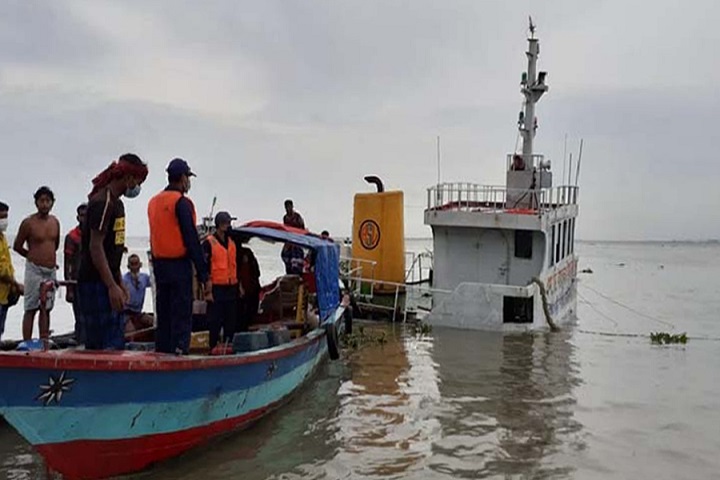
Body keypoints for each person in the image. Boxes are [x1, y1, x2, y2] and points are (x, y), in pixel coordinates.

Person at [78, 154, 148, 350]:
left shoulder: (118, 204)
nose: (137, 187)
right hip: (95, 282)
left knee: (115, 339)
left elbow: (112, 250)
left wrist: (119, 283)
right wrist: (111, 286)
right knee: (101, 344)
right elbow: (96, 246)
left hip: (109, 279)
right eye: (138, 181)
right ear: (129, 178)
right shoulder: (103, 202)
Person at [148, 158, 209, 355]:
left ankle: (161, 352)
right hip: (178, 265)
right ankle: (179, 352)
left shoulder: (153, 202)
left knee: (163, 313)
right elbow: (191, 239)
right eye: (188, 178)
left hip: (159, 265)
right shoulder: (182, 203)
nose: (188, 183)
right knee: (182, 313)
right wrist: (203, 274)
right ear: (183, 178)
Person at [13, 186, 60, 342]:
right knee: (31, 306)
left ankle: (43, 340)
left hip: (50, 269)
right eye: (42, 201)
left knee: (46, 307)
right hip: (34, 269)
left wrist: (50, 260)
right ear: (36, 202)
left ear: (52, 203)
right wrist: (32, 256)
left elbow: (55, 245)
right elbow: (17, 245)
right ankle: (26, 342)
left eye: (48, 201)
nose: (45, 204)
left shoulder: (55, 222)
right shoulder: (29, 223)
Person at [202, 211, 240, 348]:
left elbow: (235, 265)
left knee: (231, 320)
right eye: (226, 223)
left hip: (231, 287)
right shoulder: (209, 243)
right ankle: (213, 347)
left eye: (229, 223)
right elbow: (204, 268)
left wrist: (239, 286)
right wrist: (207, 290)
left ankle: (229, 346)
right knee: (215, 321)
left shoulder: (232, 242)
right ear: (219, 224)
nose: (228, 226)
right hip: (216, 288)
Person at [64, 203, 87, 343]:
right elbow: (68, 263)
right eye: (82, 215)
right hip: (77, 281)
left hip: (92, 281)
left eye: (87, 215)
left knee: (92, 316)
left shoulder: (94, 234)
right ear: (78, 217)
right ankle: (81, 343)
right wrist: (69, 288)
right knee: (80, 317)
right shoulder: (72, 237)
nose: (84, 218)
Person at [0, 202, 23, 340]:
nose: (4, 221)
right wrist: (15, 284)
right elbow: (2, 270)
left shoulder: (2, 238)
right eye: (1, 217)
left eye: (6, 217)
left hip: (3, 293)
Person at [122, 253, 153, 333]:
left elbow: (155, 282)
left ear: (140, 265)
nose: (134, 267)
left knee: (153, 322)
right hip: (126, 313)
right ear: (128, 266)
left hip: (138, 312)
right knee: (130, 330)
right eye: (132, 264)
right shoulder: (124, 280)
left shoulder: (144, 278)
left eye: (136, 264)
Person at [236, 234, 261, 331]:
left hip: (250, 288)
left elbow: (256, 272)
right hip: (247, 289)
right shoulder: (246, 253)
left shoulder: (246, 253)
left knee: (247, 314)